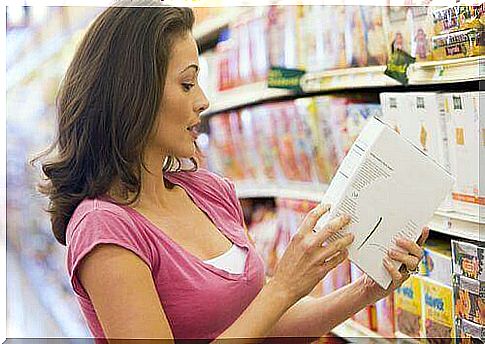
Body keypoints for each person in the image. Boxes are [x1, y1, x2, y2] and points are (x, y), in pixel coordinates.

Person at [34, 4, 429, 343]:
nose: (203, 101)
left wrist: (366, 290)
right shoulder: (105, 228)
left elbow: (265, 327)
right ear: (134, 94)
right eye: (187, 84)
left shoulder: (208, 192)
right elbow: (267, 308)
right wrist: (283, 287)